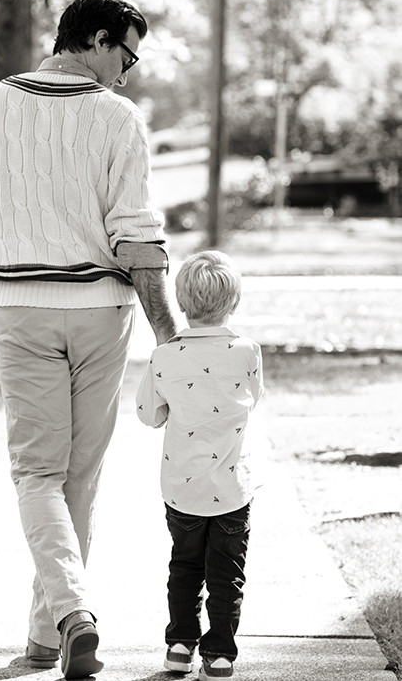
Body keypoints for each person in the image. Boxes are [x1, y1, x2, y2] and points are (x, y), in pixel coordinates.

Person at [0, 0, 177, 679]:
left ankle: (61, 623)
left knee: (37, 472)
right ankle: (60, 624)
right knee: (77, 475)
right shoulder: (117, 118)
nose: (127, 73)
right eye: (125, 55)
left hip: (18, 310)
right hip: (103, 313)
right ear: (98, 39)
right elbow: (136, 236)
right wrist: (169, 336)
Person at [136, 250, 263, 680]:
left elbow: (148, 414)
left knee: (185, 567)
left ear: (183, 306)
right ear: (235, 302)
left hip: (183, 488)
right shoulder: (247, 352)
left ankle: (179, 646)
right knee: (227, 575)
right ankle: (221, 654)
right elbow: (252, 400)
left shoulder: (165, 357)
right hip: (231, 489)